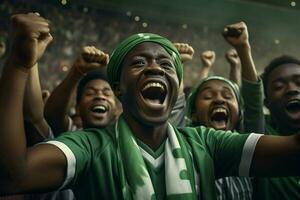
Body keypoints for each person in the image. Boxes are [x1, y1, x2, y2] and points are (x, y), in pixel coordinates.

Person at [0, 13, 300, 200]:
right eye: (139, 63)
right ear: (119, 89)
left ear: (176, 87)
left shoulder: (206, 143)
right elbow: (15, 176)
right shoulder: (90, 146)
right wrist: (19, 65)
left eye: (166, 64)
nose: (155, 68)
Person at [186, 21, 263, 199]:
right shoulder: (184, 147)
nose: (219, 99)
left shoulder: (247, 146)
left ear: (239, 115)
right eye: (208, 97)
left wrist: (244, 49)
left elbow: (253, 104)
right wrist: (205, 68)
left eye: (227, 97)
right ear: (193, 114)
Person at [44, 46, 121, 136]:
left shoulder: (129, 142)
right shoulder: (70, 134)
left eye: (106, 93)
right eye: (90, 93)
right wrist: (77, 71)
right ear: (77, 109)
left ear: (116, 109)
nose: (100, 96)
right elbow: (53, 115)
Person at [253, 55, 300, 200]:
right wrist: (243, 50)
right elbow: (251, 104)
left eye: (299, 82)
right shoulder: (262, 141)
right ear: (267, 103)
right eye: (279, 87)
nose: (291, 90)